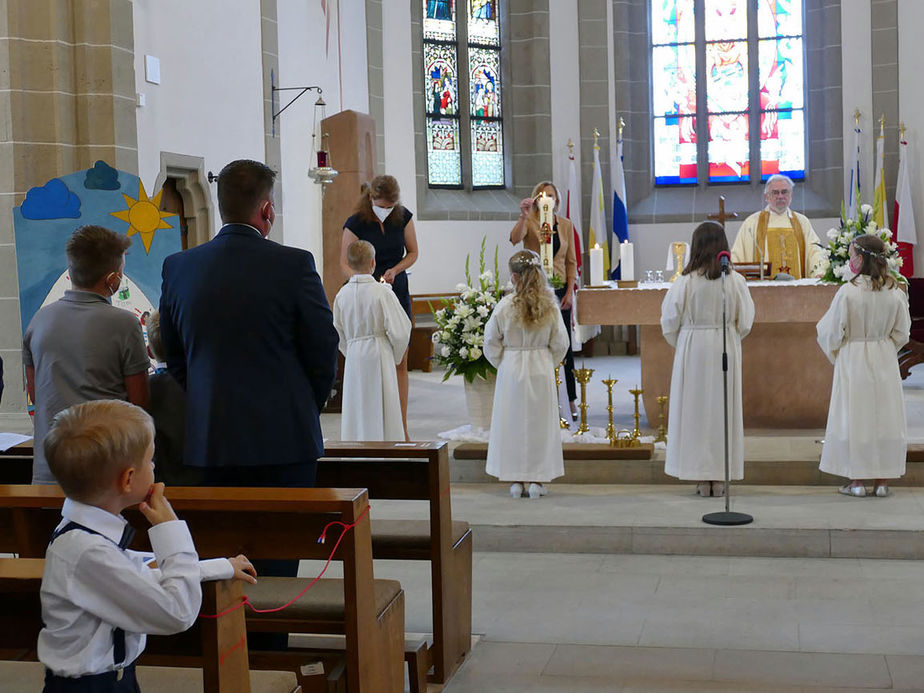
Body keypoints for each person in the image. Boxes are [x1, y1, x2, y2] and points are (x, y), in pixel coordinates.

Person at [38, 399, 256, 691]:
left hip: (112, 679)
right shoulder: (86, 550)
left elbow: (135, 579)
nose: (154, 467)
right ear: (128, 479)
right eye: (150, 460)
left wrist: (220, 566)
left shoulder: (83, 535)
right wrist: (169, 527)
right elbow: (178, 613)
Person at [159, 159, 338, 487]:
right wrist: (300, 404)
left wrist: (208, 398)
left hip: (210, 442)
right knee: (288, 535)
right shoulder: (294, 265)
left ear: (221, 205)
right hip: (286, 440)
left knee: (220, 537)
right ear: (267, 209)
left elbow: (175, 357)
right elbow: (323, 348)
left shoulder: (178, 267)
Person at [23, 225, 151, 485]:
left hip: (51, 471)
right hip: (105, 473)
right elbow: (140, 406)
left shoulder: (39, 320)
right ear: (113, 280)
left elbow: (36, 395)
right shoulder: (125, 324)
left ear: (71, 272)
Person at [661, 221, 755, 497]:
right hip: (725, 343)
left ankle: (701, 477)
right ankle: (721, 476)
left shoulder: (685, 282)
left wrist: (685, 343)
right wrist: (727, 335)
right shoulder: (735, 280)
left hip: (694, 348)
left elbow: (669, 321)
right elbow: (746, 320)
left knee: (696, 411)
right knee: (721, 410)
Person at [817, 234, 911, 497]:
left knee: (855, 417)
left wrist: (840, 352)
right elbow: (903, 332)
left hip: (854, 357)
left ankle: (857, 481)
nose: (849, 260)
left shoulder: (848, 291)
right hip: (883, 357)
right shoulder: (894, 291)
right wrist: (884, 349)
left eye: (851, 255)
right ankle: (882, 482)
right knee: (884, 417)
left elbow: (831, 331)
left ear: (860, 259)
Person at [484, 250, 570, 499]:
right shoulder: (550, 306)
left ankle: (515, 479)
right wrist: (545, 362)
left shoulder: (504, 306)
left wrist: (505, 362)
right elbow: (560, 344)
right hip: (540, 366)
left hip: (512, 366)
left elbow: (490, 342)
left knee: (512, 422)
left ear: (513, 277)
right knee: (539, 423)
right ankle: (537, 480)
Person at [341, 175, 419, 439]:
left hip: (395, 287)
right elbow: (345, 261)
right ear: (371, 198)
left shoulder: (403, 217)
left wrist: (395, 270)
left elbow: (413, 252)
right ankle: (373, 423)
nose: (386, 210)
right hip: (366, 289)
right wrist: (367, 281)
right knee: (373, 358)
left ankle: (402, 426)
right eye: (382, 205)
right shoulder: (356, 222)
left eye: (391, 206)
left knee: (400, 356)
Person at [509, 181, 579, 421]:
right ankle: (543, 400)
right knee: (539, 342)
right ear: (536, 199)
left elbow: (571, 262)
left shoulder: (566, 225)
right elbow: (514, 239)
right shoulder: (530, 221)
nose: (547, 198)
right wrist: (523, 216)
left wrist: (570, 291)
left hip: (560, 290)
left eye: (551, 195)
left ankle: (570, 401)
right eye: (543, 195)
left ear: (557, 200)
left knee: (564, 345)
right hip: (535, 290)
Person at [333, 240, 411, 441]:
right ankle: (385, 453)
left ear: (349, 264)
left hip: (354, 355)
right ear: (373, 262)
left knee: (358, 406)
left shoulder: (341, 295)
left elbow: (337, 332)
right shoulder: (382, 292)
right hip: (379, 352)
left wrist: (351, 351)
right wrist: (395, 355)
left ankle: (357, 451)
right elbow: (402, 331)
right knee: (382, 406)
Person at [730, 174, 826, 279]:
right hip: (763, 291)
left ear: (791, 195)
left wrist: (819, 271)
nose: (780, 196)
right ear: (767, 197)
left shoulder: (802, 222)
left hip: (797, 289)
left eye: (784, 192)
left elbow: (814, 250)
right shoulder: (752, 223)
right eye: (775, 192)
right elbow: (738, 255)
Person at [145, 310, 198, 486]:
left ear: (149, 352)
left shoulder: (143, 390)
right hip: (203, 483)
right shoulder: (203, 388)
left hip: (156, 486)